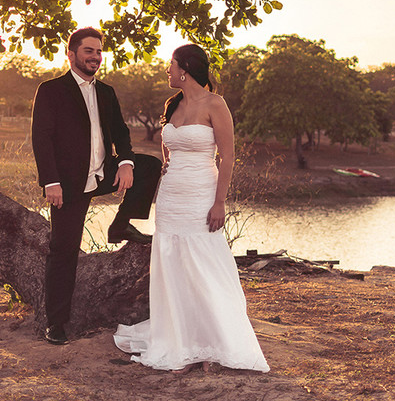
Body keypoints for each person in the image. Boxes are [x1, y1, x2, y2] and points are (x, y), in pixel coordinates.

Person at [114, 44, 269, 373]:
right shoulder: (173, 104)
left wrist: (220, 202)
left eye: (170, 65)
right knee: (174, 267)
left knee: (204, 267)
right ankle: (182, 345)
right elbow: (167, 143)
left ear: (184, 68)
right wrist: (168, 164)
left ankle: (211, 344)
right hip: (171, 196)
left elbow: (228, 156)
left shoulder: (215, 104)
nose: (167, 71)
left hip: (202, 194)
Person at [31, 27, 162, 345]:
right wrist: (51, 182)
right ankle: (56, 323)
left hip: (104, 173)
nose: (95, 57)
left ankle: (121, 225)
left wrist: (126, 161)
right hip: (68, 184)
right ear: (71, 54)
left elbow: (121, 131)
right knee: (63, 251)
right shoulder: (51, 90)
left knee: (149, 165)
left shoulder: (106, 92)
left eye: (99, 51)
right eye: (89, 51)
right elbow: (41, 138)